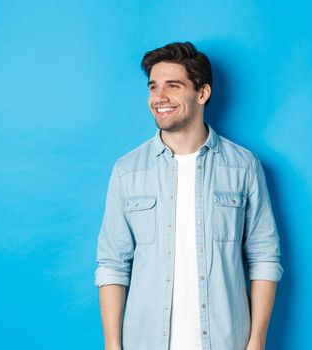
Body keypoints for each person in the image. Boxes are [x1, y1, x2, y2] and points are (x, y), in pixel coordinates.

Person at [95, 41, 283, 350]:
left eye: (173, 86)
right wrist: (113, 346)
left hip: (225, 341)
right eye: (153, 87)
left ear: (202, 93)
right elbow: (112, 265)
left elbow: (264, 257)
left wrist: (256, 341)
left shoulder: (243, 166)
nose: (159, 98)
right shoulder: (127, 171)